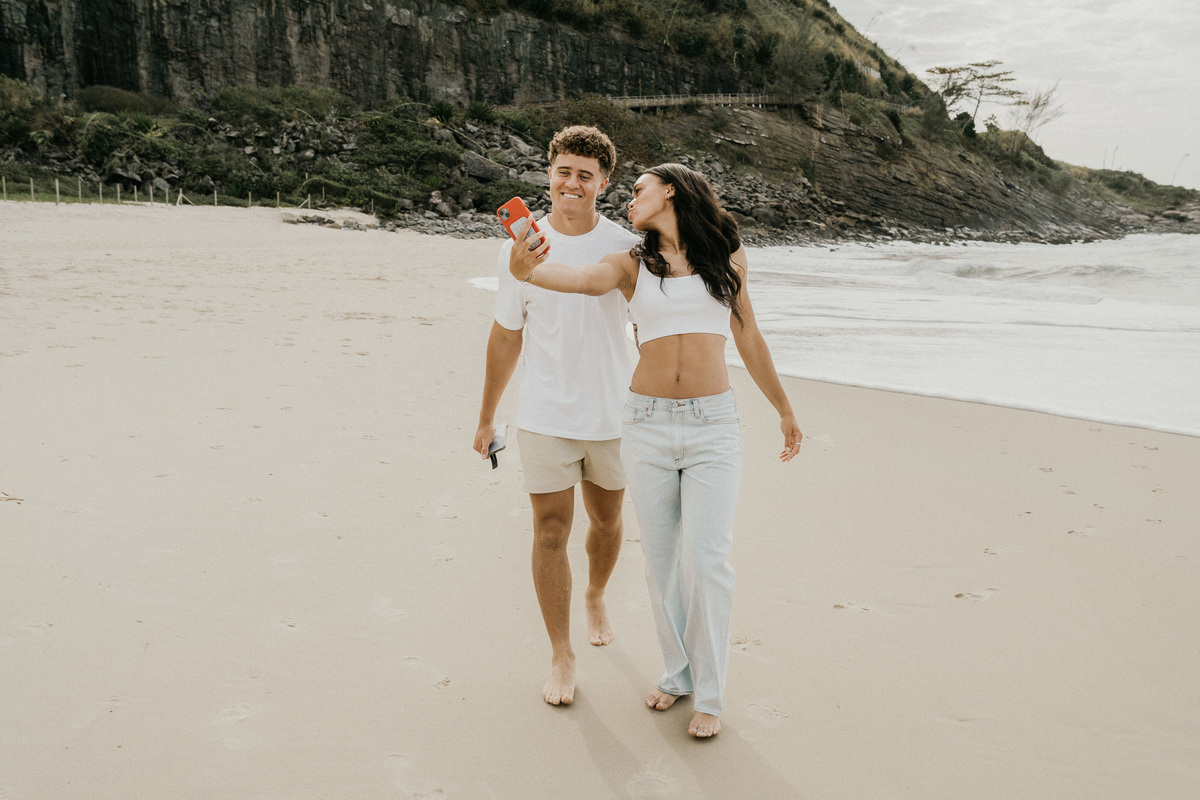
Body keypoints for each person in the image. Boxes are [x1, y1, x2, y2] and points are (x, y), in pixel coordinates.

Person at [508, 162, 803, 738]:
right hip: (644, 423)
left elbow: (749, 335)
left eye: (637, 191)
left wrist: (785, 410)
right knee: (664, 560)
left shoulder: (728, 257)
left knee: (707, 559)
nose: (629, 202)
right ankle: (678, 674)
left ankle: (711, 693)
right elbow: (582, 280)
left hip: (713, 425)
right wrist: (528, 271)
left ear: (669, 190)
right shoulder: (632, 264)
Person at [473, 126, 641, 707]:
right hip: (545, 413)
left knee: (608, 522)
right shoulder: (517, 248)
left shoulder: (626, 246)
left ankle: (595, 592)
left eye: (585, 175)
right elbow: (505, 335)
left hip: (614, 414)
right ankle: (561, 653)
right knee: (549, 531)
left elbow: (654, 327)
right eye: (563, 171)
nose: (572, 183)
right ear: (549, 172)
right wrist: (486, 417)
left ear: (604, 182)